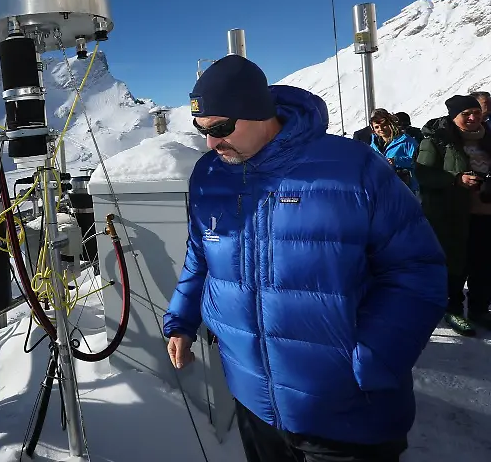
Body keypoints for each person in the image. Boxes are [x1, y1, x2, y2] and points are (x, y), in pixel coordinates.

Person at [164, 55, 447, 462]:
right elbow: (200, 255)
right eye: (201, 130)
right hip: (254, 401)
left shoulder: (353, 168)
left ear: (258, 112)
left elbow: (416, 269)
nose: (210, 143)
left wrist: (373, 361)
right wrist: (182, 321)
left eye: (221, 128)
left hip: (345, 411)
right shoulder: (209, 175)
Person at [415, 94, 491, 335]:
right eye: (465, 114)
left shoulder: (488, 137)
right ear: (454, 116)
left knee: (484, 264)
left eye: (476, 113)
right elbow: (423, 174)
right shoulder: (438, 140)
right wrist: (456, 179)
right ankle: (454, 309)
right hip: (451, 213)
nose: (472, 118)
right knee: (456, 262)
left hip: (485, 211)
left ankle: (479, 310)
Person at [369, 109, 420, 194]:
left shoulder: (407, 141)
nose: (380, 129)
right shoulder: (373, 145)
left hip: (407, 189)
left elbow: (418, 162)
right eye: (377, 127)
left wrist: (397, 161)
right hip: (383, 189)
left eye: (384, 125)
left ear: (391, 124)